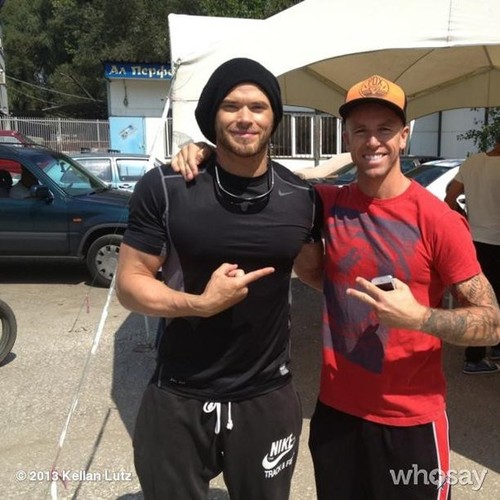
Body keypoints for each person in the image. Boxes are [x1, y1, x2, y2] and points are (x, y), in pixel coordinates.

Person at [172, 74, 500, 499]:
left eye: (384, 129)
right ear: (347, 138)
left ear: (403, 137)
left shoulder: (439, 221)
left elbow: (492, 323)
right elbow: (261, 176)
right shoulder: (326, 203)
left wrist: (419, 317)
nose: (373, 141)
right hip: (337, 416)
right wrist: (207, 152)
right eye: (360, 130)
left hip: (410, 422)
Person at [115, 57, 323, 500]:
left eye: (258, 107)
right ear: (212, 116)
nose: (245, 118)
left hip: (266, 396)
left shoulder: (302, 197)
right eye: (231, 106)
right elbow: (130, 283)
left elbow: (317, 272)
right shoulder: (167, 187)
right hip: (179, 393)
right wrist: (199, 304)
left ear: (274, 118)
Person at [445, 136, 500, 374]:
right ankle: (476, 357)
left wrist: (465, 220)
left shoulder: (473, 162)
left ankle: (484, 350)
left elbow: (449, 199)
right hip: (496, 241)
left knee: (478, 297)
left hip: (474, 240)